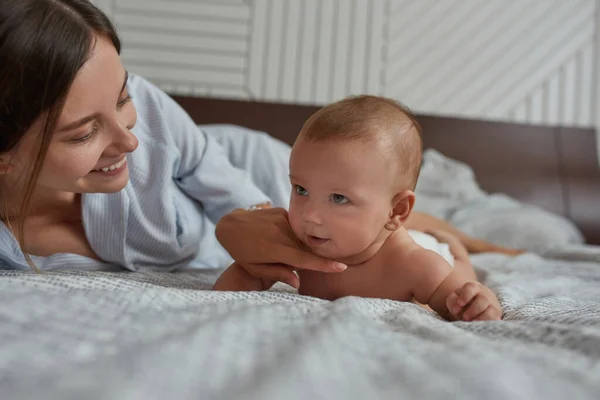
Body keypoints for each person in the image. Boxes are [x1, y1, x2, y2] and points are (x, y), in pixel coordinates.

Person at [0, 0, 517, 283]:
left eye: (121, 96)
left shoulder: (151, 117)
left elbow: (253, 208)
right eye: (85, 132)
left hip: (252, 167)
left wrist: (238, 221)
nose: (131, 142)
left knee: (369, 211)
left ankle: (496, 246)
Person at [214, 96, 502, 322]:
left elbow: (461, 304)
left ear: (396, 211)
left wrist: (475, 302)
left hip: (434, 250)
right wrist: (248, 269)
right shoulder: (295, 244)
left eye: (338, 198)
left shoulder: (415, 265)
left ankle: (457, 247)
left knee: (460, 265)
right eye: (301, 190)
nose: (309, 215)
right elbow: (232, 288)